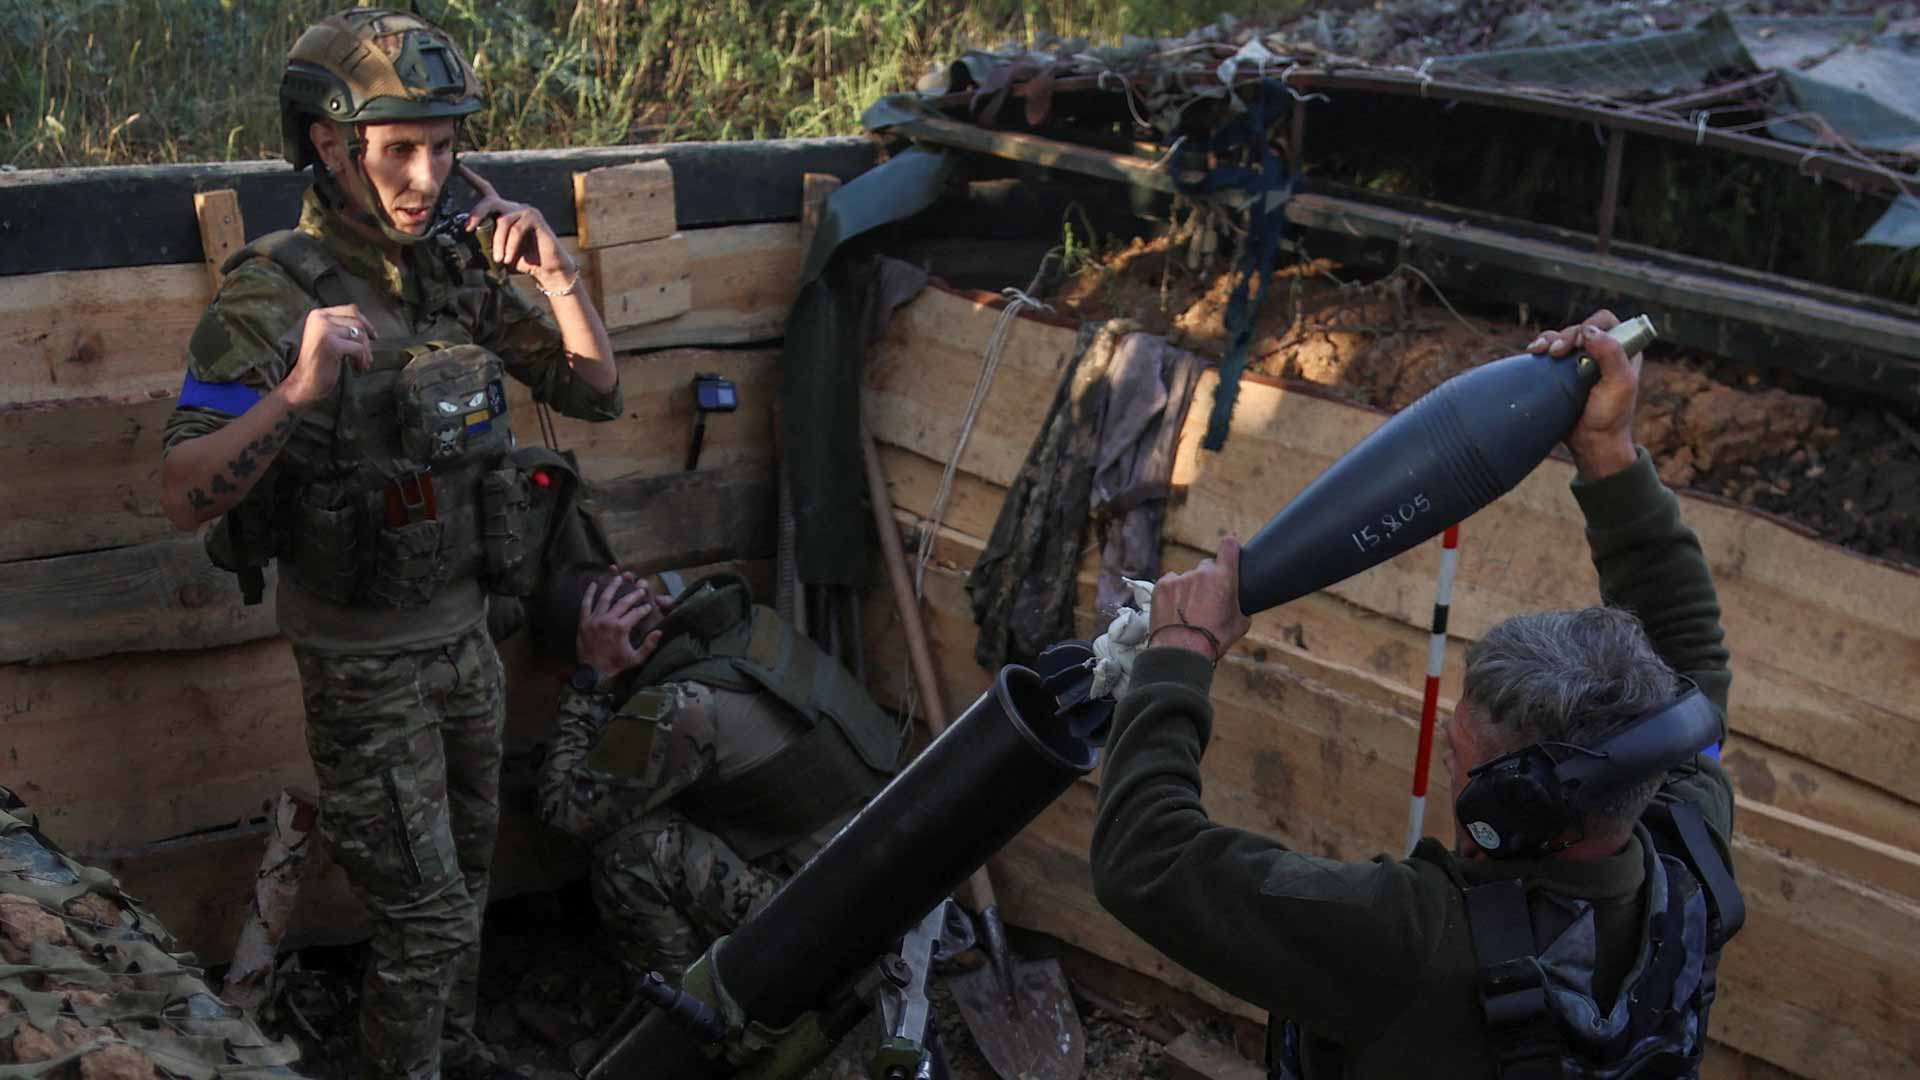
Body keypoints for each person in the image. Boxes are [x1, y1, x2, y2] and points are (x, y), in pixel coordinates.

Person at [1090, 311, 1744, 1078]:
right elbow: (1692, 662)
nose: (1445, 758)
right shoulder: (1689, 851)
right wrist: (1608, 452)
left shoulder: (1406, 940)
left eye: (1460, 752)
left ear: (1504, 809)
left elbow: (1149, 860)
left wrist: (1182, 651)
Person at [157, 10, 623, 1079]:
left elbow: (596, 391)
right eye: (400, 148)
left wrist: (556, 273)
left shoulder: (455, 273)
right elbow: (183, 494)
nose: (427, 174)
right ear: (331, 144)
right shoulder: (273, 294)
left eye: (445, 146)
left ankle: (451, 1053)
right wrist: (296, 390)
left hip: (466, 640)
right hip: (364, 665)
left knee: (462, 884)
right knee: (420, 915)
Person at [536, 570, 902, 981]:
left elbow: (566, 813)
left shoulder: (684, 706)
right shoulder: (746, 628)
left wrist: (588, 684)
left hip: (834, 922)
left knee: (629, 849)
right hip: (887, 878)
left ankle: (695, 1014)